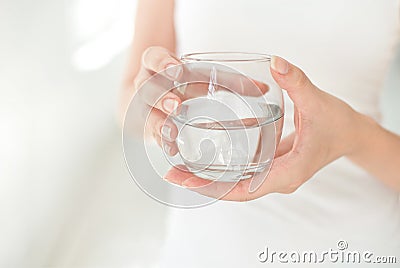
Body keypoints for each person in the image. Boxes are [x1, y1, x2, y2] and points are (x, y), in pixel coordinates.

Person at [121, 0, 400, 266]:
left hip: (355, 249)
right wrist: (156, 106)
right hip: (206, 249)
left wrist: (353, 134)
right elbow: (127, 103)